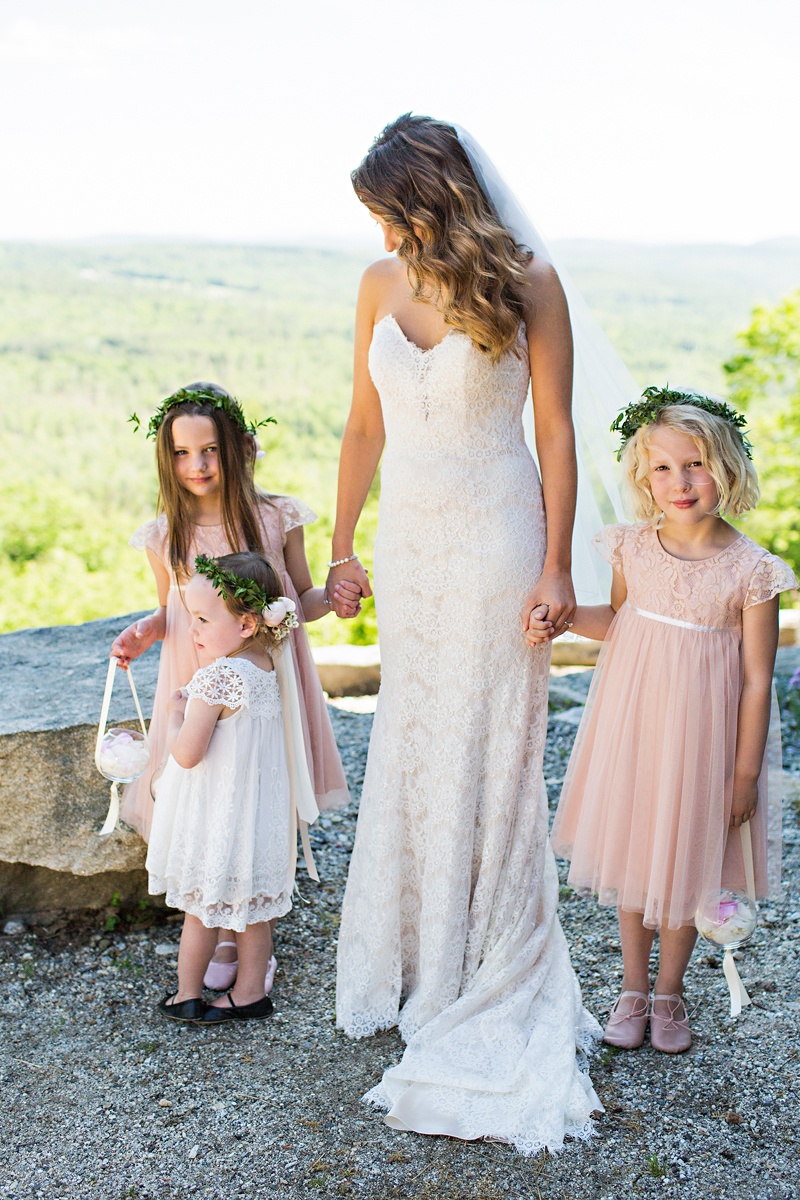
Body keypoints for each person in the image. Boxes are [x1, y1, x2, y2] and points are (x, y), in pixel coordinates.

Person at [328, 114, 604, 1155]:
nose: (384, 232)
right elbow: (362, 423)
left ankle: (480, 958)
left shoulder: (528, 281)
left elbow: (554, 431)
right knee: (412, 732)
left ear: (431, 191)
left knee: (488, 744)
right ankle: (409, 955)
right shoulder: (373, 283)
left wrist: (554, 565)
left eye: (392, 210)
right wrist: (343, 538)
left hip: (496, 537)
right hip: (408, 545)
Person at [538, 388, 797, 1053]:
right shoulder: (632, 549)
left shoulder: (753, 571)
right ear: (642, 478)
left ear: (728, 469)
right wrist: (559, 617)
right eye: (663, 468)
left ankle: (669, 992)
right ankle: (630, 986)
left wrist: (745, 773)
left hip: (707, 745)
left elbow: (759, 678)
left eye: (696, 465)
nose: (680, 482)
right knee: (636, 853)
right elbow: (618, 625)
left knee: (685, 864)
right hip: (637, 731)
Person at [111, 382, 356, 989]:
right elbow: (173, 612)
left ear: (240, 449)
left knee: (253, 795)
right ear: (166, 459)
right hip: (199, 680)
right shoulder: (165, 533)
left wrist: (338, 597)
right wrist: (144, 632)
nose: (197, 466)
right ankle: (219, 927)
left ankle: (247, 932)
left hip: (269, 687)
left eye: (211, 450)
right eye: (182, 453)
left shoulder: (275, 518)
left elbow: (300, 601)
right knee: (209, 797)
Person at [147, 551, 316, 1024]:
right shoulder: (265, 666)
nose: (193, 630)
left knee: (200, 911)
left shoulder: (217, 678)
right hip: (257, 818)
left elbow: (187, 754)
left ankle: (185, 995)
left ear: (245, 624)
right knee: (254, 912)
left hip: (216, 819)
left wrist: (179, 713)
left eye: (202, 619)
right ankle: (249, 994)